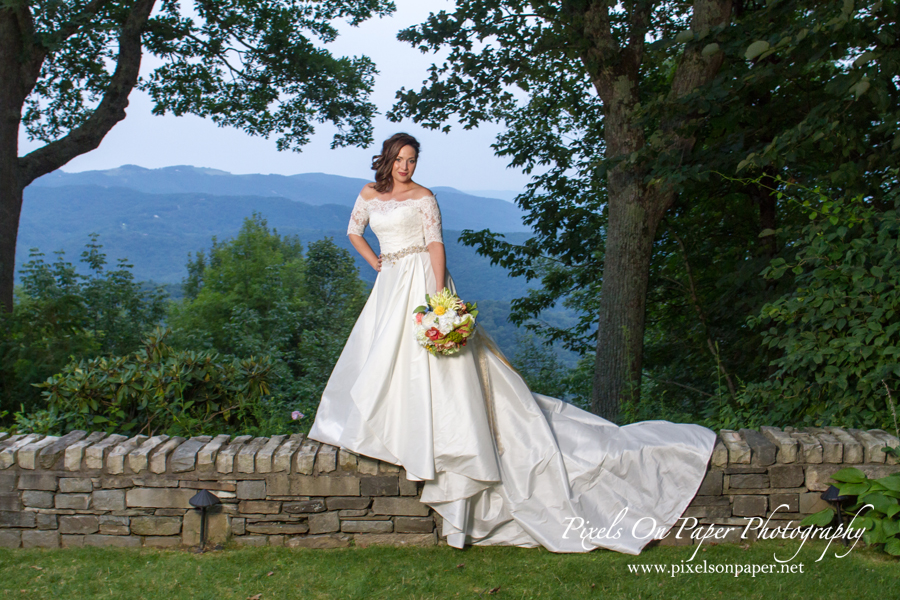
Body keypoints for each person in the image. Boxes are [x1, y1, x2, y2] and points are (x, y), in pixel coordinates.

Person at [308, 132, 716, 554]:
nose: (406, 167)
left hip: (423, 285)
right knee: (386, 359)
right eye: (400, 160)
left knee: (439, 367)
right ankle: (397, 428)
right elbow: (354, 231)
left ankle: (446, 441)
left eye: (412, 160)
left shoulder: (425, 197)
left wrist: (438, 301)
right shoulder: (369, 193)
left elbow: (435, 245)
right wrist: (377, 261)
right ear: (387, 159)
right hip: (390, 283)